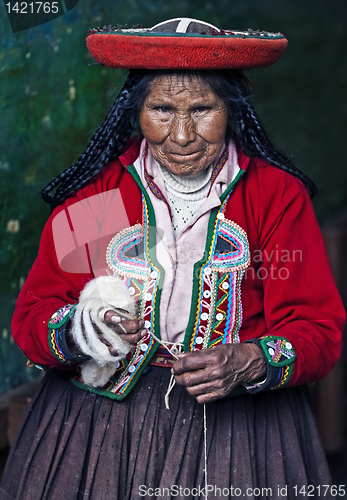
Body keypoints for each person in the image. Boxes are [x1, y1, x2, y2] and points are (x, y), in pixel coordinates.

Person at [0, 18, 345, 500]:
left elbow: (317, 328)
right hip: (99, 429)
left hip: (239, 433)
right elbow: (35, 315)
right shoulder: (105, 193)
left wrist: (248, 359)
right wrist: (83, 329)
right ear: (135, 111)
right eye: (161, 109)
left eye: (202, 109)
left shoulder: (272, 196)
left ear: (232, 110)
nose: (181, 135)